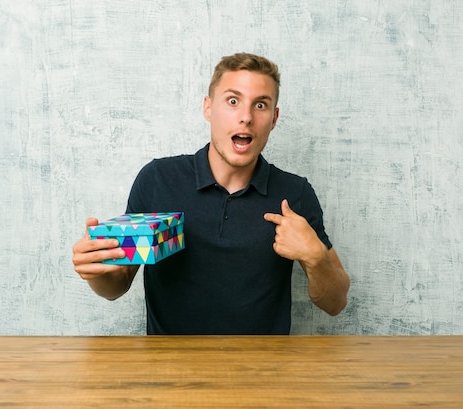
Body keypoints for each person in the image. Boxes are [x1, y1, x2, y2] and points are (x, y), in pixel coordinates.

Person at [72, 52, 350, 335]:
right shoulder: (158, 179)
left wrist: (316, 257)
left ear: (274, 118)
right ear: (208, 108)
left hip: (263, 373)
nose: (246, 117)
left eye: (261, 105)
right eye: (233, 101)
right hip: (169, 371)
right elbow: (115, 287)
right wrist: (95, 269)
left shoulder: (294, 194)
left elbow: (336, 302)